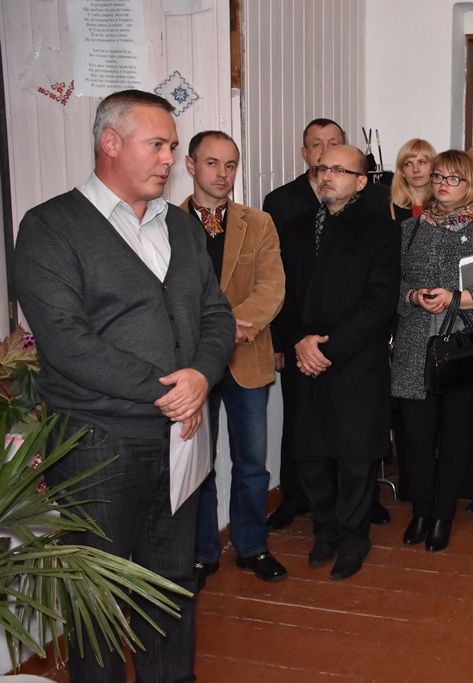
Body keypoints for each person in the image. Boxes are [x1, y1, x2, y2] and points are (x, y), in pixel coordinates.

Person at [13, 89, 235, 682]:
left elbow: (216, 313)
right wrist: (170, 390)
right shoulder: (50, 227)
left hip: (180, 437)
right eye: (157, 144)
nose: (170, 159)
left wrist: (201, 374)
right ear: (110, 143)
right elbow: (66, 341)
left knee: (172, 584)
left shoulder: (180, 227)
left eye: (172, 146)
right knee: (99, 598)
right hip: (97, 443)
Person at [275, 144, 400, 580]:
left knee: (354, 457)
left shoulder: (380, 231)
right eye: (323, 168)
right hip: (304, 360)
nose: (327, 176)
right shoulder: (295, 227)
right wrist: (299, 341)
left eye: (340, 170)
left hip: (354, 361)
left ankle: (353, 539)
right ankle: (324, 531)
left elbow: (379, 303)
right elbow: (282, 295)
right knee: (310, 454)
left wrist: (326, 349)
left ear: (361, 181)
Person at [391, 149, 473, 552]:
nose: (442, 185)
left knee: (456, 436)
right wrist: (413, 296)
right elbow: (389, 284)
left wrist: (455, 298)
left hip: (462, 345)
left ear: (469, 184)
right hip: (415, 345)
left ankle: (442, 516)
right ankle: (421, 512)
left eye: (452, 178)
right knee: (416, 437)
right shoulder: (411, 228)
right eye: (438, 177)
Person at [182, 131, 288, 586]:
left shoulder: (258, 223)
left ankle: (252, 546)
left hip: (248, 354)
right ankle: (203, 552)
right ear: (190, 166)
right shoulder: (167, 223)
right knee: (198, 466)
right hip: (193, 365)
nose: (222, 174)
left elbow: (272, 288)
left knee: (252, 464)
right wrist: (210, 338)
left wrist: (230, 328)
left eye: (230, 165)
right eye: (212, 163)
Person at [262, 117, 344, 531]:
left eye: (333, 143)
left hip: (343, 333)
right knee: (298, 418)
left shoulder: (364, 199)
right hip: (296, 332)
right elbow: (273, 276)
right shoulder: (280, 201)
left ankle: (349, 498)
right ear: (304, 153)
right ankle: (294, 496)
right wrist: (281, 339)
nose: (324, 151)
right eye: (316, 144)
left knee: (343, 417)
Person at [391, 138, 437, 222]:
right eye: (408, 164)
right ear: (402, 171)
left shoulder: (446, 208)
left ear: (433, 167)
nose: (415, 170)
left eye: (421, 162)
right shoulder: (389, 209)